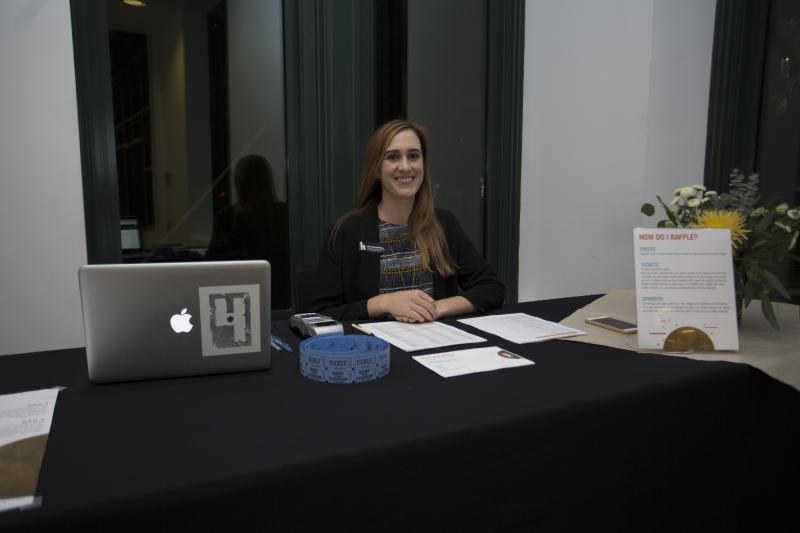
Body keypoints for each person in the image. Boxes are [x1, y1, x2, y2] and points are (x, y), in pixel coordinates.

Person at [310, 119, 504, 322]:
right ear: (375, 169)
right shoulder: (346, 231)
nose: (405, 166)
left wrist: (435, 308)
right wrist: (383, 303)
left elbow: (492, 288)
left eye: (413, 156)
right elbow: (321, 313)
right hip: (372, 342)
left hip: (433, 340)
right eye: (392, 157)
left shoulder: (444, 224)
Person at [207, 154, 290, 308]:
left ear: (239, 182)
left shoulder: (227, 216)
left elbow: (215, 260)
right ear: (267, 181)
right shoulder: (283, 213)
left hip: (238, 292)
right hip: (279, 293)